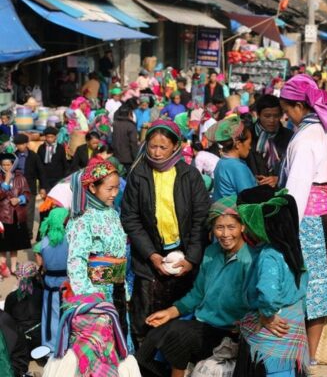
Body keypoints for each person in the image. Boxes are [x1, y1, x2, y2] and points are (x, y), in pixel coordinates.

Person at [135, 196, 254, 377]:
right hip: (203, 325)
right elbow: (197, 294)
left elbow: (255, 301)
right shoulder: (211, 252)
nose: (225, 234)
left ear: (242, 227)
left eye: (231, 227)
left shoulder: (251, 259)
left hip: (228, 332)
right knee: (151, 341)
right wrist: (170, 312)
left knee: (179, 334)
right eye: (219, 227)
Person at [121, 120, 209, 348]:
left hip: (184, 257)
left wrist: (191, 259)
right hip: (149, 259)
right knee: (146, 317)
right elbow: (130, 218)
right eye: (152, 146)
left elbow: (201, 218)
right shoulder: (138, 175)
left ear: (175, 147)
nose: (157, 152)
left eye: (163, 147)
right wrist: (151, 255)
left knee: (180, 315)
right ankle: (146, 363)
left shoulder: (189, 176)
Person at [278, 74, 327, 365]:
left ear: (296, 106)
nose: (284, 114)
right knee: (320, 285)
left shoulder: (305, 138)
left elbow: (296, 189)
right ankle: (311, 355)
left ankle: (297, 354)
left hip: (307, 217)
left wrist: (285, 229)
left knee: (302, 282)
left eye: (285, 108)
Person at [233, 186, 309, 377]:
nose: (243, 228)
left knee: (275, 370)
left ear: (257, 222)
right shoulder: (290, 248)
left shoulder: (269, 256)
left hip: (275, 328)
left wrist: (268, 314)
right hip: (293, 323)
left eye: (244, 221)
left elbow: (268, 293)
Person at [65, 160, 128, 336]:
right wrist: (88, 297)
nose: (115, 193)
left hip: (118, 291)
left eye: (117, 188)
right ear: (92, 188)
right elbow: (76, 260)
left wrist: (125, 290)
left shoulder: (113, 213)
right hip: (96, 295)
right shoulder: (83, 220)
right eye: (110, 189)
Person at [33, 207, 70, 352]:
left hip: (49, 284)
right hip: (67, 285)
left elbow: (41, 265)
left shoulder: (43, 243)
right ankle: (65, 346)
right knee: (67, 316)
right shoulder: (71, 239)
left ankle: (49, 347)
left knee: (49, 316)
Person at [246, 95, 293, 187]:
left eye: (276, 116)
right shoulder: (247, 135)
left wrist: (279, 179)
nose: (272, 120)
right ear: (258, 115)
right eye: (267, 116)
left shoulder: (289, 137)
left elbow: (295, 168)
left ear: (281, 115)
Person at [207, 116, 256, 201]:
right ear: (238, 144)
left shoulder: (222, 162)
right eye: (249, 143)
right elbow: (250, 199)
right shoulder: (238, 167)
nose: (250, 147)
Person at [0, 152, 31, 276]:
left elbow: (27, 193)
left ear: (13, 164)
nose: (7, 167)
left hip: (17, 215)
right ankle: (2, 268)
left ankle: (13, 267)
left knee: (14, 244)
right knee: (2, 246)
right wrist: (6, 182)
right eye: (4, 165)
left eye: (9, 164)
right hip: (2, 215)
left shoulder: (20, 177)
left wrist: (19, 199)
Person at [14, 134, 47, 241]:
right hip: (16, 188)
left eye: (21, 144)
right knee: (17, 211)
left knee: (29, 212)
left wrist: (42, 187)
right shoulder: (14, 156)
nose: (19, 146)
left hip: (30, 188)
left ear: (26, 144)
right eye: (17, 144)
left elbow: (41, 172)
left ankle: (28, 234)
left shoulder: (34, 156)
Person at [4, 262, 43, 352]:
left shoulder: (11, 297)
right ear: (35, 276)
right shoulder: (42, 293)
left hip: (20, 342)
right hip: (40, 340)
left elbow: (7, 319)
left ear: (18, 277)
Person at [112, 106, 139, 170]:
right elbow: (133, 143)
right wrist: (136, 157)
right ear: (129, 114)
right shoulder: (131, 126)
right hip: (128, 158)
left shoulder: (115, 124)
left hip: (116, 156)